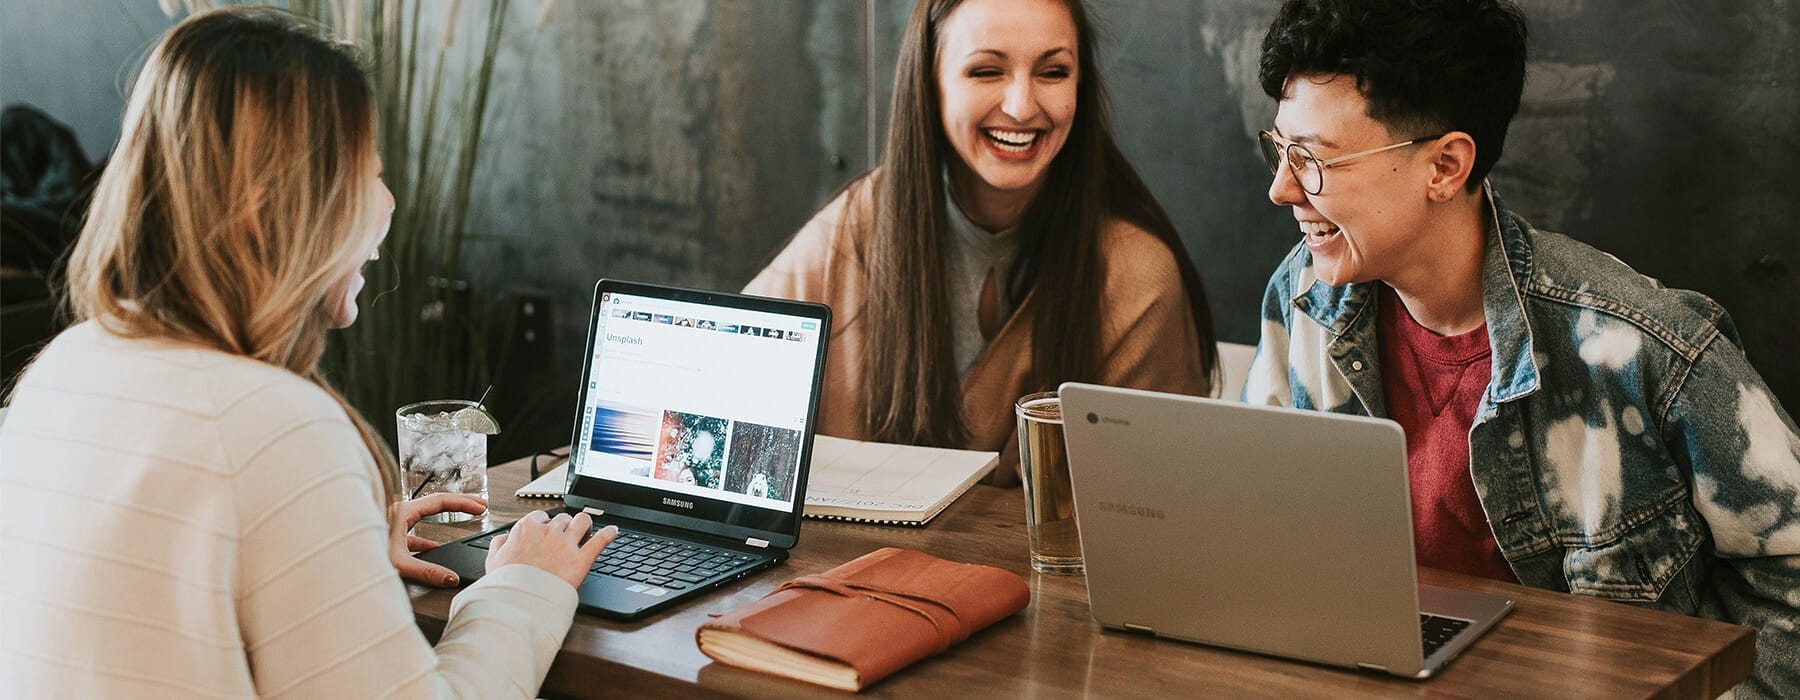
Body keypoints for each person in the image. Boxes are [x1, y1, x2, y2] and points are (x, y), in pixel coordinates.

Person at [0, 8, 617, 697]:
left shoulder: (61, 370)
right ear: (267, 213)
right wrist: (524, 584)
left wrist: (332, 549)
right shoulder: (275, 426)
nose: (385, 205)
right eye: (364, 175)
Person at [1241, 1, 1799, 695]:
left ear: (1444, 166)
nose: (1281, 188)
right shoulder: (1302, 301)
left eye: (1313, 160)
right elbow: (1255, 532)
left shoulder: (1642, 346)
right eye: (1279, 149)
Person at [746, 0, 1219, 482]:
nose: (1021, 106)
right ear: (930, 85)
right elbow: (728, 378)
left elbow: (1154, 509)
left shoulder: (1137, 274)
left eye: (1053, 72)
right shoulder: (859, 221)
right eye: (986, 71)